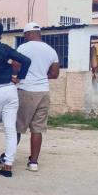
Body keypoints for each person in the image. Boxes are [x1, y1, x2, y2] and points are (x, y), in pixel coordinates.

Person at [0, 22, 31, 177]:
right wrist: (19, 78)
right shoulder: (5, 49)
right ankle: (8, 167)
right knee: (10, 129)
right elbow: (26, 60)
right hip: (10, 91)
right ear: (0, 36)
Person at [13, 22, 60, 172]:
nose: (25, 38)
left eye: (25, 35)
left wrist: (21, 76)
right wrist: (40, 76)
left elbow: (15, 66)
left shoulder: (22, 48)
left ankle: (8, 157)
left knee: (17, 128)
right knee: (37, 129)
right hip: (43, 92)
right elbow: (54, 74)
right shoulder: (51, 50)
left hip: (26, 90)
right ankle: (33, 162)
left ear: (28, 34)